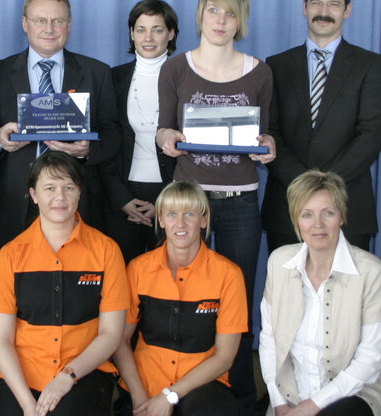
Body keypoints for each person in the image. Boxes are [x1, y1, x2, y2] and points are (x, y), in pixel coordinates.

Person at [153, 1, 275, 413]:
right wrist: (166, 136)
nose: (221, 20)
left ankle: (238, 395)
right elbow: (163, 128)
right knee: (185, 296)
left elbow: (266, 133)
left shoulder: (259, 72)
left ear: (240, 20)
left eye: (230, 12)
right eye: (213, 11)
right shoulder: (176, 69)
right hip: (190, 201)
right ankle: (181, 387)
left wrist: (268, 146)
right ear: (200, 17)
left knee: (238, 300)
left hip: (241, 199)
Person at [0, 151, 128, 416]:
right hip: (21, 374)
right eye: (49, 188)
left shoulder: (106, 251)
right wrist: (28, 406)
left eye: (68, 187)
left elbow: (110, 334)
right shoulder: (11, 254)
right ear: (34, 195)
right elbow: (1, 340)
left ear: (79, 193)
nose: (59, 197)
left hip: (85, 372)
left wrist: (68, 375)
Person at [259, 170, 381, 416]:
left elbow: (369, 361)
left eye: (328, 213)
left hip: (355, 394)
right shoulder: (278, 263)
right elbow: (269, 341)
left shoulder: (372, 273)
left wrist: (309, 408)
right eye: (307, 215)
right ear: (296, 220)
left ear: (341, 217)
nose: (318, 225)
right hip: (290, 396)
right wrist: (278, 403)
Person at [0, 0, 120, 249]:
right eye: (40, 20)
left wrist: (88, 149)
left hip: (77, 203)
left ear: (69, 25)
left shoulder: (97, 72)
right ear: (25, 24)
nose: (49, 28)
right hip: (16, 203)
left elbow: (112, 133)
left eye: (57, 21)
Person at [261, 0, 381, 253]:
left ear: (347, 10)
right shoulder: (276, 65)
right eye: (317, 3)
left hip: (348, 204)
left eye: (333, 4)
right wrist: (304, 185)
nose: (324, 12)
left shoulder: (370, 64)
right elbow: (269, 132)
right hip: (288, 206)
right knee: (289, 290)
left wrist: (327, 185)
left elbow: (371, 135)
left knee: (348, 291)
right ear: (304, 8)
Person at [114, 181, 246, 416]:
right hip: (143, 387)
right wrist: (138, 398)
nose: (180, 223)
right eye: (172, 214)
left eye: (189, 214)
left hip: (202, 389)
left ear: (203, 220)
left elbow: (224, 357)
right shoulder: (137, 269)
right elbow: (121, 342)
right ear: (161, 220)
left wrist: (170, 395)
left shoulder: (229, 275)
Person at [101, 0, 178, 264]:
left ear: (171, 34)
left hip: (173, 197)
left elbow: (194, 149)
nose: (148, 38)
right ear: (131, 34)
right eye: (140, 29)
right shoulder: (111, 78)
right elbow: (105, 143)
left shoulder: (188, 77)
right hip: (123, 197)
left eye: (157, 29)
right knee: (121, 287)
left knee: (171, 284)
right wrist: (121, 198)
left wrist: (164, 200)